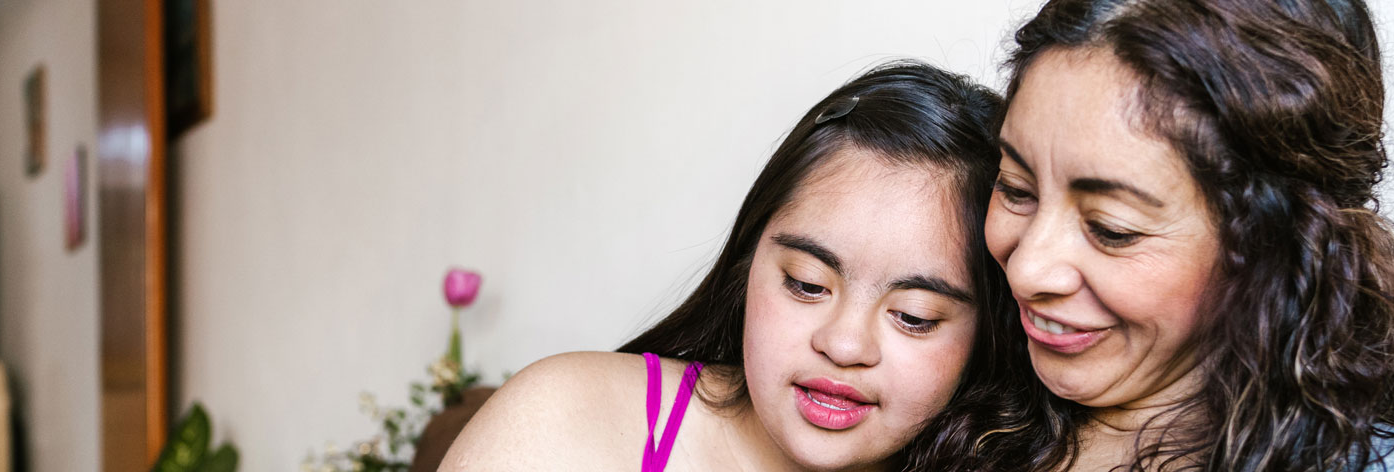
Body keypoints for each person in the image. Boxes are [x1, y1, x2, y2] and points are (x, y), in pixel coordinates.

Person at [440, 61, 1058, 471]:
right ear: (749, 264)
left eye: (914, 316)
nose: (844, 345)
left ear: (986, 333)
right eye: (807, 284)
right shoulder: (566, 419)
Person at [985, 0, 1394, 470]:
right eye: (1016, 188)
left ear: (1268, 242)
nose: (1029, 269)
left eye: (1111, 229)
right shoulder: (966, 397)